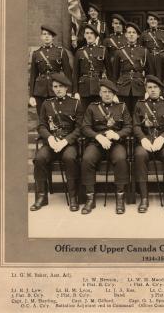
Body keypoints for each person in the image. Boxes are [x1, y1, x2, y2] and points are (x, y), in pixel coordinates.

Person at [30, 72, 83, 212]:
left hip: (68, 143)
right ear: (52, 88)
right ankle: (41, 196)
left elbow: (79, 128)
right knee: (39, 158)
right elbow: (41, 125)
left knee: (70, 158)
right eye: (55, 86)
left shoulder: (76, 103)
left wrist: (66, 141)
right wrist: (50, 138)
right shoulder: (47, 104)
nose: (58, 89)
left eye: (61, 86)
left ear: (66, 88)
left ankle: (73, 197)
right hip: (52, 142)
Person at [80, 79, 132, 215]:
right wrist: (98, 136)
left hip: (116, 144)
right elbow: (85, 127)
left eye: (110, 92)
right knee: (87, 159)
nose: (107, 94)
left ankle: (120, 197)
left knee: (121, 159)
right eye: (104, 92)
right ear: (100, 93)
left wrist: (117, 135)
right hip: (97, 143)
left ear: (114, 94)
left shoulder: (122, 107)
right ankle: (90, 198)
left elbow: (129, 127)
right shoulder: (92, 107)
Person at [133, 75, 164, 213]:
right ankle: (144, 198)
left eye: (155, 87)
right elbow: (135, 126)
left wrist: (163, 138)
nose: (152, 90)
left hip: (162, 143)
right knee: (139, 155)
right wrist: (142, 139)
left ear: (161, 90)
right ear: (146, 89)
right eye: (150, 87)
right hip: (146, 141)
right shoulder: (140, 104)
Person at [29, 26, 72, 116]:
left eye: (49, 34)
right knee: (42, 117)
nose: (47, 36)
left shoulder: (60, 52)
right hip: (40, 91)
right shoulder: (36, 54)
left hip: (56, 90)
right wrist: (31, 95)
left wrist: (69, 91)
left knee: (57, 117)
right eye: (44, 34)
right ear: (41, 37)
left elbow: (68, 73)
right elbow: (33, 75)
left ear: (53, 37)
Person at [113, 22, 155, 114]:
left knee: (139, 112)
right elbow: (114, 74)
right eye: (129, 32)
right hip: (123, 87)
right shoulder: (119, 52)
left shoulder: (144, 51)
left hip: (139, 86)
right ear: (125, 35)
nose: (131, 34)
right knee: (123, 112)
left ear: (138, 35)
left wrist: (148, 89)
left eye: (134, 32)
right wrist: (114, 91)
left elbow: (150, 72)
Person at [73, 23, 112, 111]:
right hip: (83, 88)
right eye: (87, 33)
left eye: (91, 33)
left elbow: (110, 72)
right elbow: (75, 73)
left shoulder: (103, 50)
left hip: (98, 87)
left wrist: (111, 90)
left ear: (96, 36)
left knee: (99, 113)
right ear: (84, 35)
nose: (89, 35)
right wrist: (75, 92)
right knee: (84, 113)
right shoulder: (79, 52)